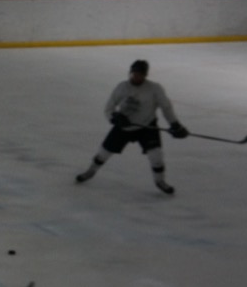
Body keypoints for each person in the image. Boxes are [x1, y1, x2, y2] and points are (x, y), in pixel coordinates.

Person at [75, 59, 189, 194]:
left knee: (156, 155)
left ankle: (160, 181)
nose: (136, 76)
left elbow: (166, 107)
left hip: (147, 126)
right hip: (123, 127)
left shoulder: (155, 88)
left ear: (145, 75)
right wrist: (115, 118)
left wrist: (175, 124)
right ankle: (90, 171)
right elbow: (108, 109)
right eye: (134, 73)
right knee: (104, 152)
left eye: (140, 74)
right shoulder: (122, 87)